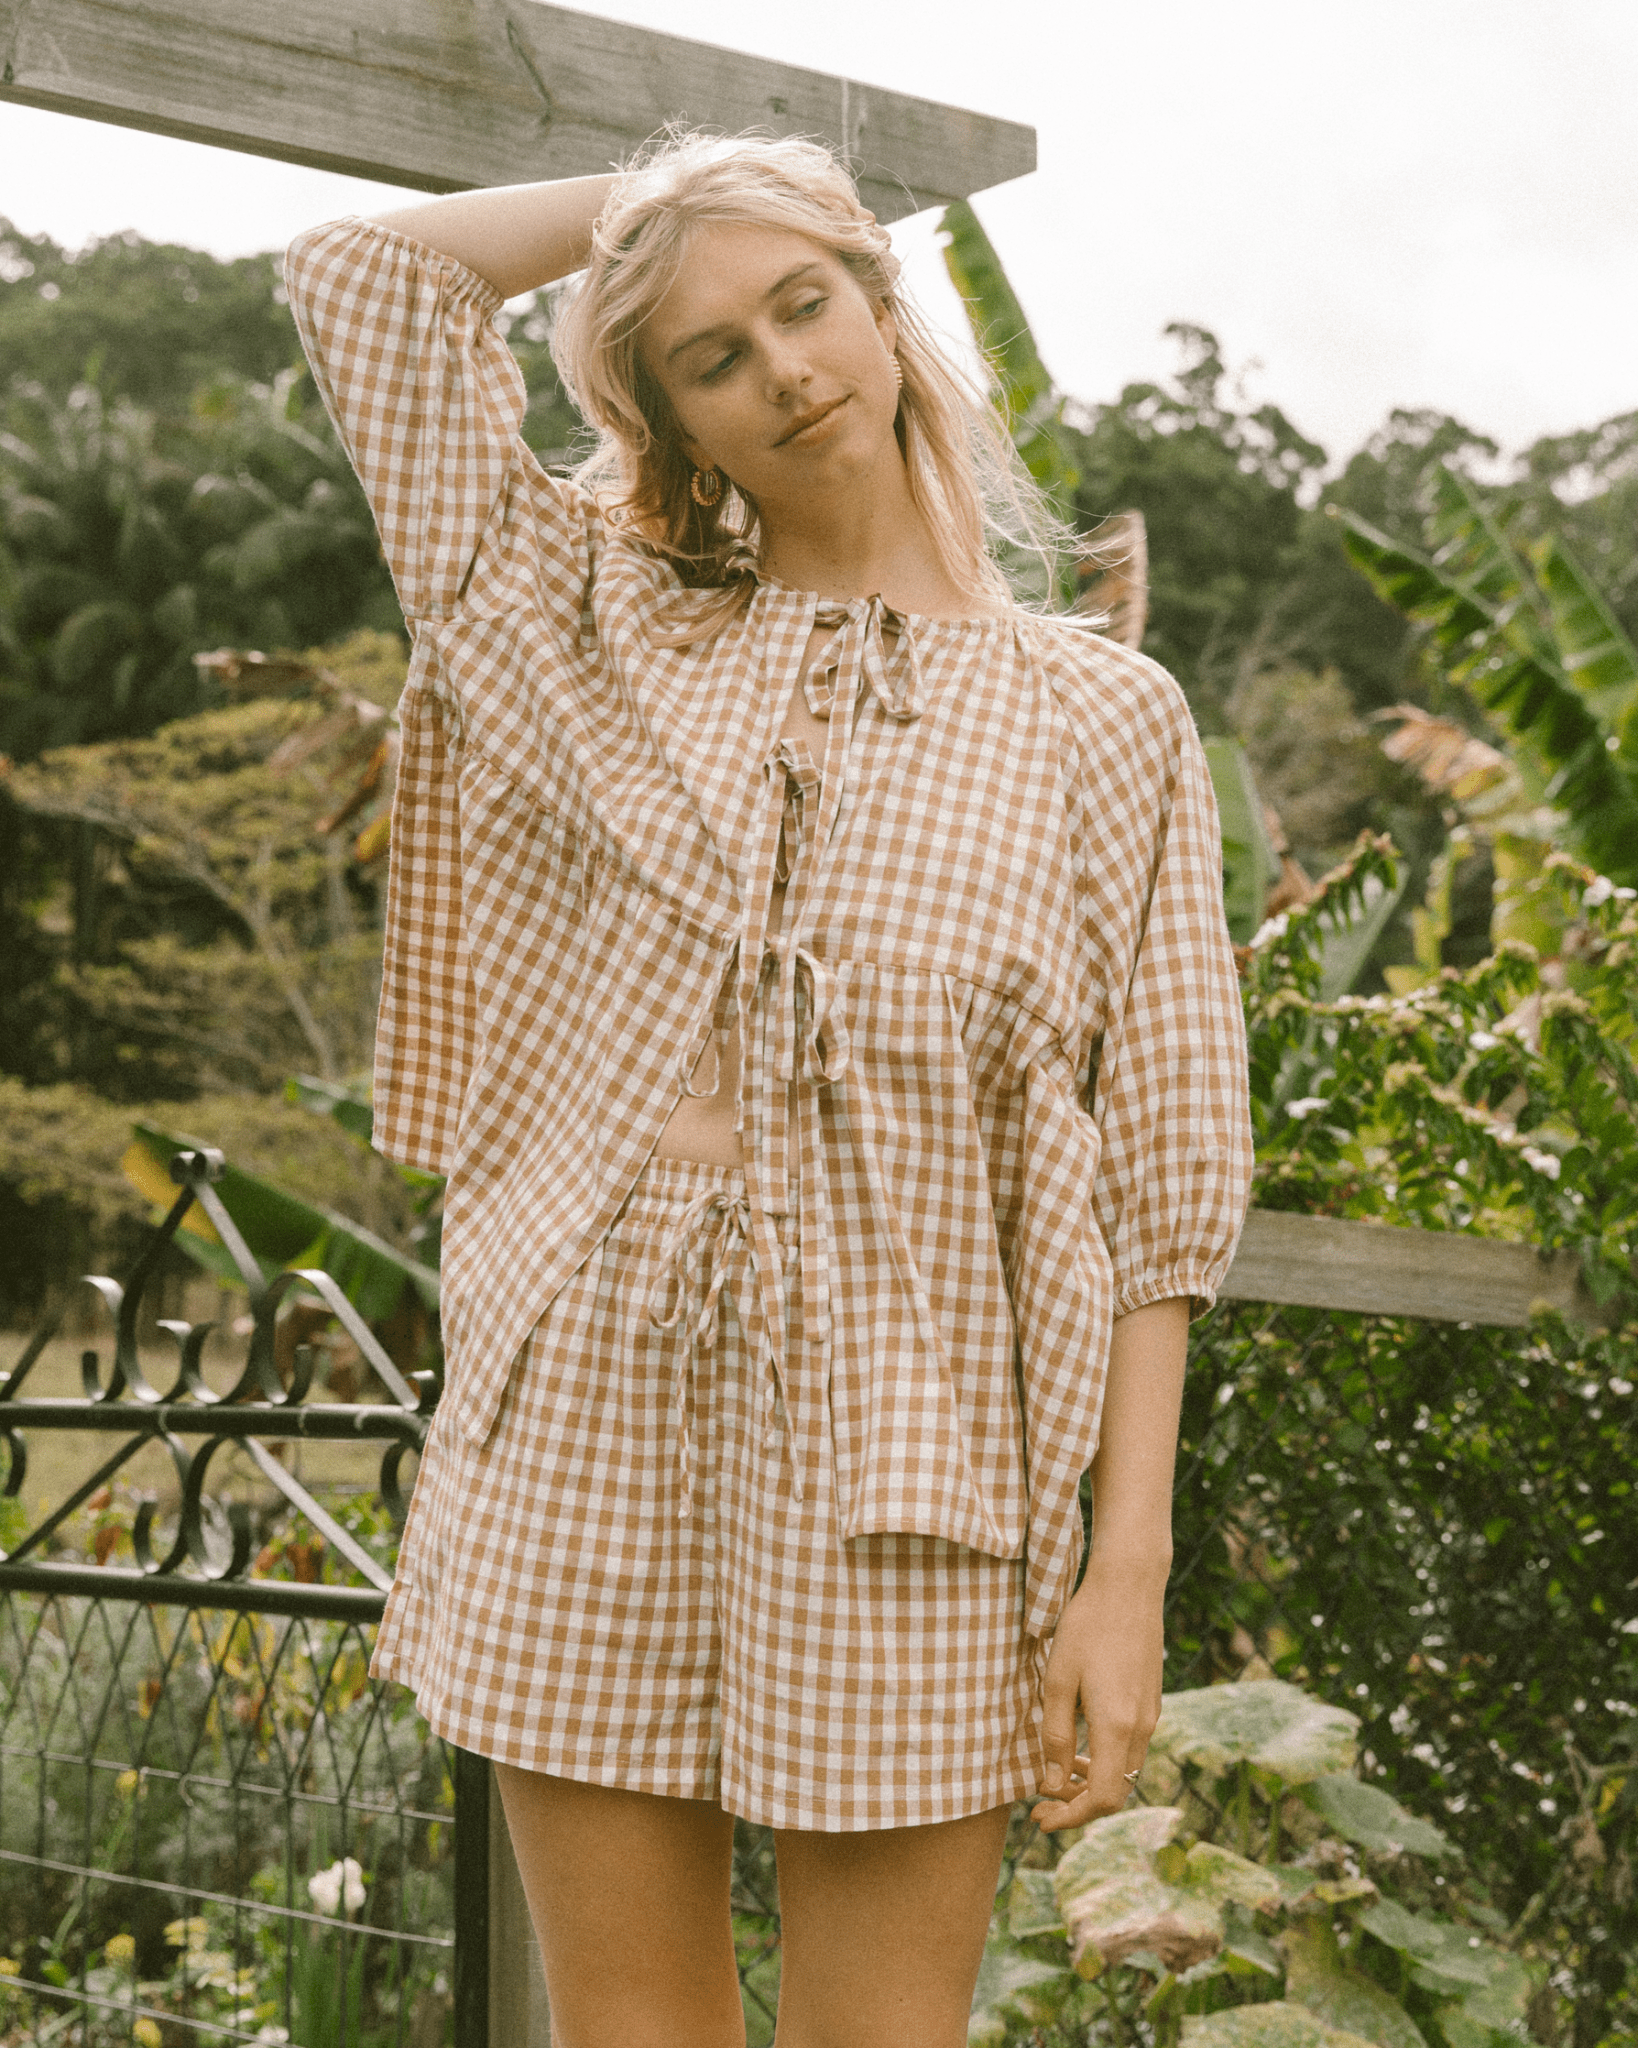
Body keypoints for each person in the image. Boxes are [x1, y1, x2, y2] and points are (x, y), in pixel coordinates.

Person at [284, 127, 1253, 2048]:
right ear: (672, 426)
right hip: (587, 1407)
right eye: (712, 357)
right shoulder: (586, 626)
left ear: (882, 304)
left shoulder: (1101, 719)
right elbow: (363, 283)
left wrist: (1124, 1571)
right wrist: (670, 201)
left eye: (804, 301)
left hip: (914, 1455)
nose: (784, 370)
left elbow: (1163, 1174)